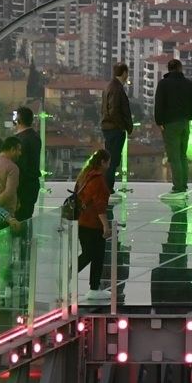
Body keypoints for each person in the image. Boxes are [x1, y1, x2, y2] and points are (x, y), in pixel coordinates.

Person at [152, 57, 192, 195]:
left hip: (170, 125)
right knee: (182, 155)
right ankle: (183, 184)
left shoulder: (163, 84)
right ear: (180, 68)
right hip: (185, 123)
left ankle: (178, 187)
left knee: (174, 157)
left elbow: (159, 105)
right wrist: (188, 117)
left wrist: (160, 122)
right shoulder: (189, 84)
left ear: (169, 69)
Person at [70, 149, 114, 297]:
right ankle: (91, 287)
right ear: (103, 162)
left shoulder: (85, 175)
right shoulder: (98, 180)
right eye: (108, 162)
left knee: (92, 254)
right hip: (92, 224)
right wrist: (106, 226)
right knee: (94, 255)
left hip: (82, 221)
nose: (109, 165)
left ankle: (92, 287)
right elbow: (99, 205)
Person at [100, 63, 135, 189]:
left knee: (112, 159)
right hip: (114, 129)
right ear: (124, 73)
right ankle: (108, 189)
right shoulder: (116, 88)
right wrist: (122, 126)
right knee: (112, 160)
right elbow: (114, 111)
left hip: (109, 128)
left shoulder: (110, 86)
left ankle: (108, 188)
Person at [10, 107, 44, 223]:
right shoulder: (35, 137)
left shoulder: (19, 141)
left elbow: (20, 166)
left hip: (22, 187)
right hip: (31, 185)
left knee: (17, 221)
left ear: (18, 121)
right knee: (26, 220)